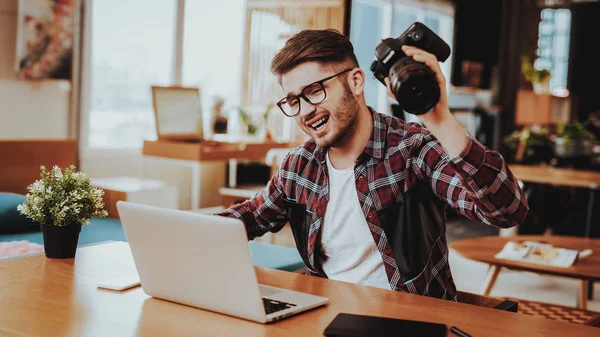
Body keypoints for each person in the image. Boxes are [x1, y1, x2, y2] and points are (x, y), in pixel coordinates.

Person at [217, 29, 528, 301]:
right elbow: (251, 215)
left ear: (355, 81)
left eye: (314, 91)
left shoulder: (412, 149)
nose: (305, 111)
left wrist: (440, 119)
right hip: (325, 316)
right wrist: (185, 233)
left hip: (411, 323)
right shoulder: (300, 164)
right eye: (294, 100)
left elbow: (506, 210)